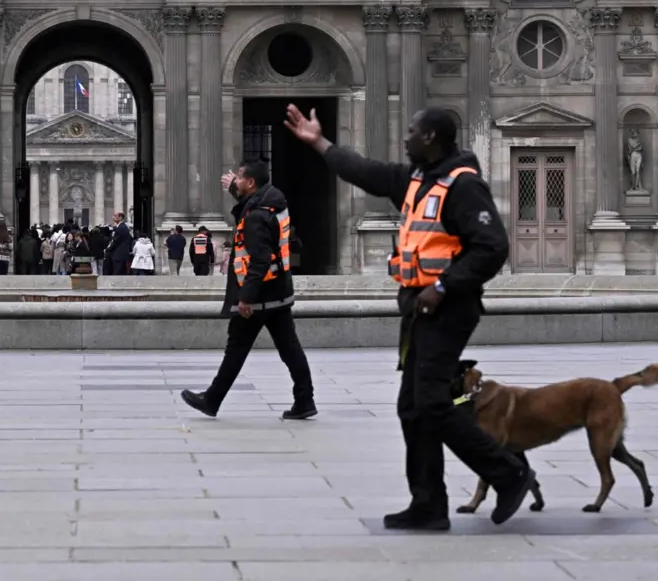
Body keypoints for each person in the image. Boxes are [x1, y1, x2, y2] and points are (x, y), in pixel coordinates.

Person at [283, 103, 534, 530]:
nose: (406, 137)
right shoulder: (417, 181)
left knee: (433, 402)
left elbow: (492, 247)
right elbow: (366, 171)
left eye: (413, 131)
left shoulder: (463, 185)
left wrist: (443, 286)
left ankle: (509, 473)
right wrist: (319, 142)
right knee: (413, 407)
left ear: (432, 137)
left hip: (449, 308)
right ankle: (428, 505)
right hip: (419, 309)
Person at [181, 160, 316, 421]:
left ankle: (212, 399)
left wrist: (246, 298)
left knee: (237, 348)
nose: (238, 181)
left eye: (241, 178)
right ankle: (305, 399)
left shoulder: (255, 217)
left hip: (259, 297)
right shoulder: (275, 202)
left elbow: (260, 260)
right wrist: (234, 186)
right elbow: (252, 203)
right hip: (278, 291)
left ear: (251, 183)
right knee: (290, 349)